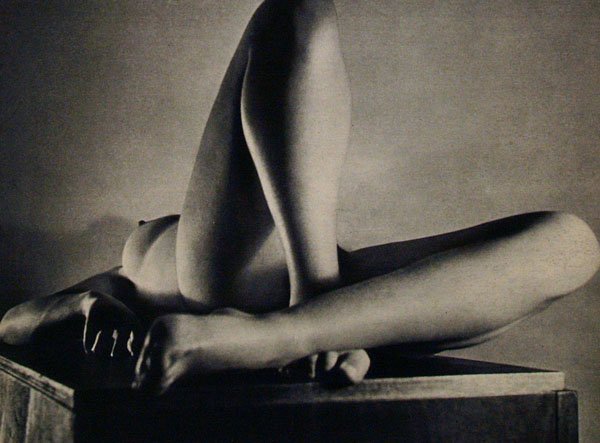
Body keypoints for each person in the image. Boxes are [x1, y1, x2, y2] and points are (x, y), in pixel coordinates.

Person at [1, 0, 598, 393]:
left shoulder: (148, 258)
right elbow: (11, 324)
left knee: (572, 243)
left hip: (321, 305)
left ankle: (289, 330)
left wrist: (83, 308)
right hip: (289, 288)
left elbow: (14, 322)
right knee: (296, 8)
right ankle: (307, 309)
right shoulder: (134, 262)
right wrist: (86, 305)